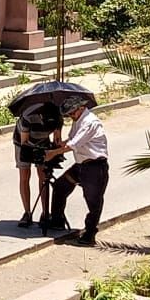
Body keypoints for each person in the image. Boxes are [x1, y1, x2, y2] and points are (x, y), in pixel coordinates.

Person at [45, 96, 110, 247]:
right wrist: (60, 144)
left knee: (93, 202)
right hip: (81, 165)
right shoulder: (78, 121)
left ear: (80, 109)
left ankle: (89, 233)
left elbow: (74, 144)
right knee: (60, 186)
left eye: (72, 113)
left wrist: (53, 154)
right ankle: (57, 220)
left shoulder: (90, 122)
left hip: (94, 167)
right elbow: (71, 140)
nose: (70, 117)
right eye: (68, 115)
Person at [13, 101, 62, 228]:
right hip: (23, 143)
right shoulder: (28, 116)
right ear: (41, 116)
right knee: (25, 175)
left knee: (44, 176)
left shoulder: (58, 117)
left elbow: (57, 139)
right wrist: (38, 153)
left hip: (43, 141)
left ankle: (46, 213)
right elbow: (24, 142)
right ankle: (27, 213)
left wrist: (54, 153)